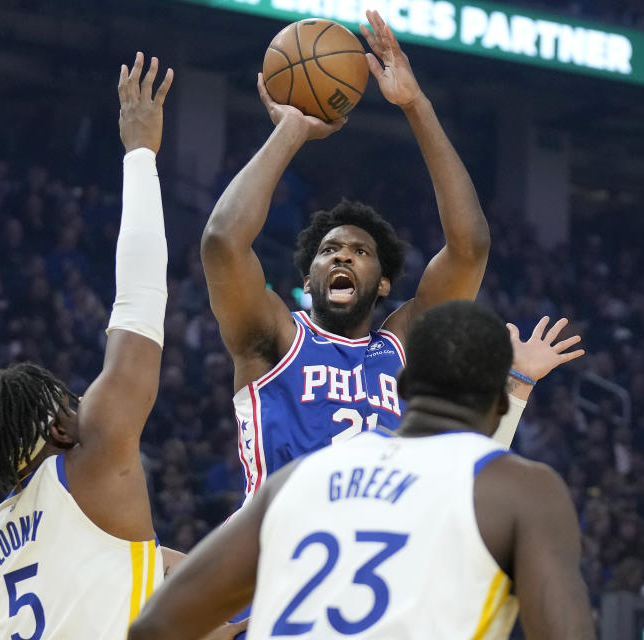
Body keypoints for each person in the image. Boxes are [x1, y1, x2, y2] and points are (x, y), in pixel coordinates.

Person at [201, 10, 585, 500]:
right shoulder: (274, 335)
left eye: (360, 251)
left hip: (381, 555)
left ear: (383, 282)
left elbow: (470, 247)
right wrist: (291, 129)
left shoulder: (404, 346)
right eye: (329, 250)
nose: (342, 257)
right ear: (311, 272)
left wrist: (416, 105)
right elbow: (221, 242)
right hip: (280, 554)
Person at [0, 53, 242, 640]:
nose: (81, 406)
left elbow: (127, 589)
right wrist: (141, 154)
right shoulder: (91, 463)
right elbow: (138, 304)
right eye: (68, 403)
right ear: (54, 429)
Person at [128, 301, 596, 640]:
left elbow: (155, 629)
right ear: (495, 405)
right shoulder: (519, 490)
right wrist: (518, 386)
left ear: (402, 386)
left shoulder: (300, 479)